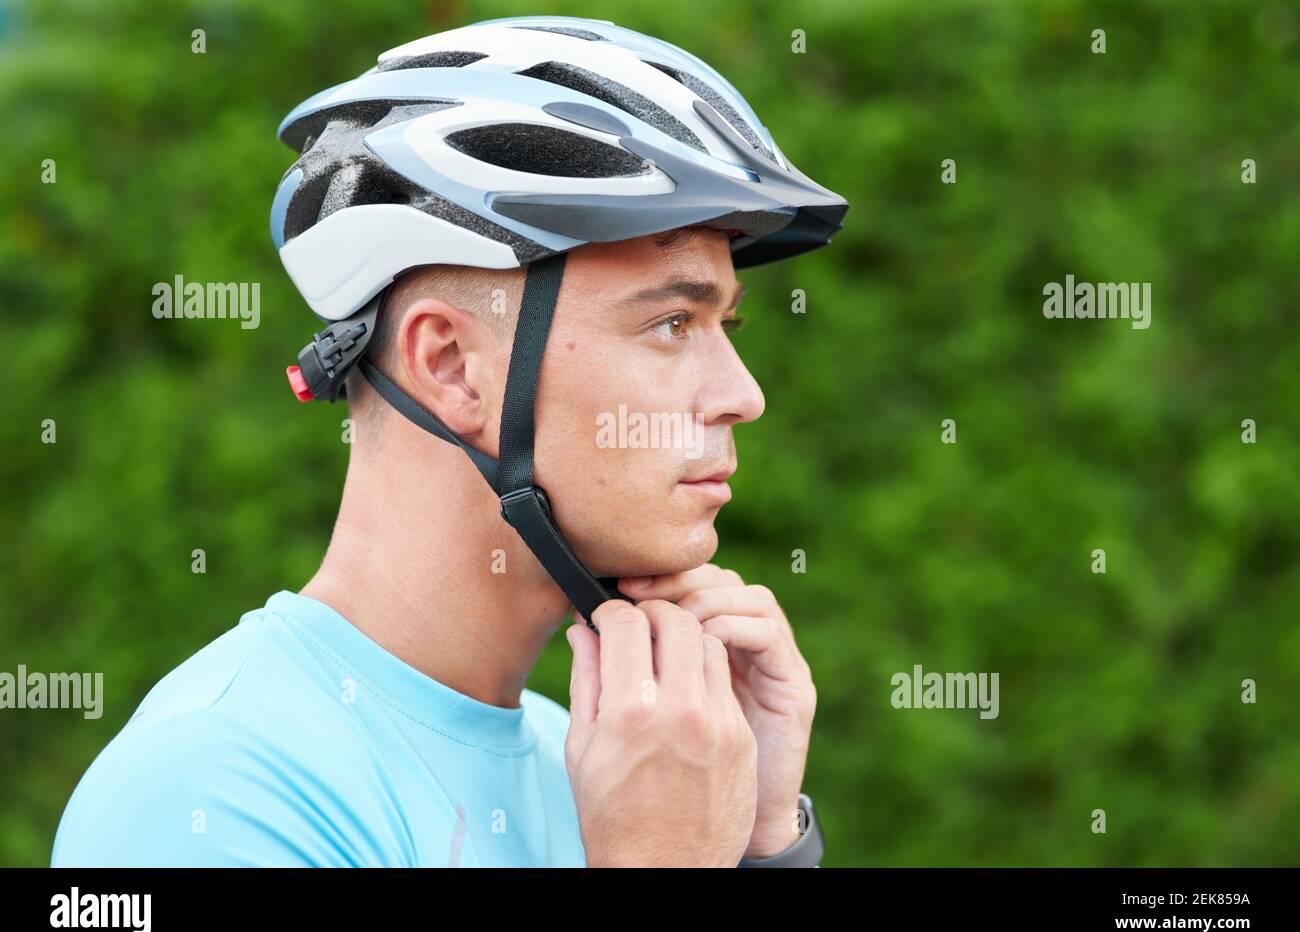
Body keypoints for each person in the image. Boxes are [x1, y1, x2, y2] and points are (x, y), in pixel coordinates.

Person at [51, 14, 846, 867]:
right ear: (453, 366)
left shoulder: (602, 760)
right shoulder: (208, 791)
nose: (744, 395)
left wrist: (761, 845)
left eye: (725, 323)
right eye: (671, 321)